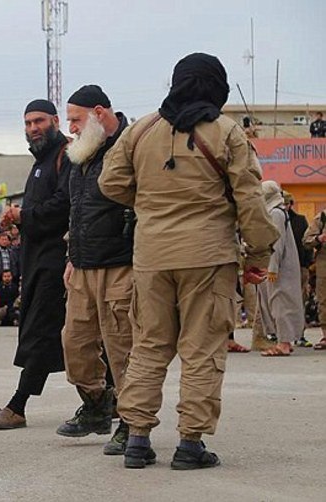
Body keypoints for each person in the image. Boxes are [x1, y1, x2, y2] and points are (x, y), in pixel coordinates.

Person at [99, 53, 279, 469]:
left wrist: (150, 205)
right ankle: (189, 444)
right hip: (208, 258)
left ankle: (137, 440)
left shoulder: (142, 130)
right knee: (202, 349)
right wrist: (258, 254)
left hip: (151, 258)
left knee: (148, 345)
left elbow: (110, 184)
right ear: (216, 85)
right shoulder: (227, 132)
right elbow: (251, 200)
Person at [53, 85, 135, 456]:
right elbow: (77, 211)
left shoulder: (129, 147)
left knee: (123, 348)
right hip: (83, 265)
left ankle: (132, 423)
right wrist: (72, 255)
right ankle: (98, 405)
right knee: (74, 342)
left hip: (121, 263)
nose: (69, 126)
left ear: (99, 112)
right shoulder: (82, 153)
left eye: (75, 118)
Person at [0, 99, 70, 430]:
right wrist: (17, 218)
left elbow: (63, 206)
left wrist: (25, 215)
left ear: (56, 121)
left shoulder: (67, 157)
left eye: (39, 121)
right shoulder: (41, 163)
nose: (33, 128)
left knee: (41, 333)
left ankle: (18, 405)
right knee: (71, 336)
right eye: (28, 123)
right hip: (36, 262)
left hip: (57, 263)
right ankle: (110, 396)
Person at [256, 181, 304, 356]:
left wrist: (272, 268)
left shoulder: (276, 213)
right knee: (279, 302)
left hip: (279, 268)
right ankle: (285, 341)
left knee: (280, 303)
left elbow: (276, 242)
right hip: (281, 266)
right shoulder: (277, 212)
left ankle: (283, 344)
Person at [283, 191, 313, 347]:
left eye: (286, 203)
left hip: (300, 267)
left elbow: (307, 246)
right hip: (282, 269)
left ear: (291, 204)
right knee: (282, 302)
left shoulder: (300, 221)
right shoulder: (276, 218)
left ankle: (300, 334)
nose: (284, 206)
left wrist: (307, 266)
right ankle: (282, 336)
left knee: (300, 301)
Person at [302, 205, 326, 350]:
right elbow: (306, 240)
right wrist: (319, 238)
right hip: (324, 264)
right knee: (324, 300)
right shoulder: (322, 217)